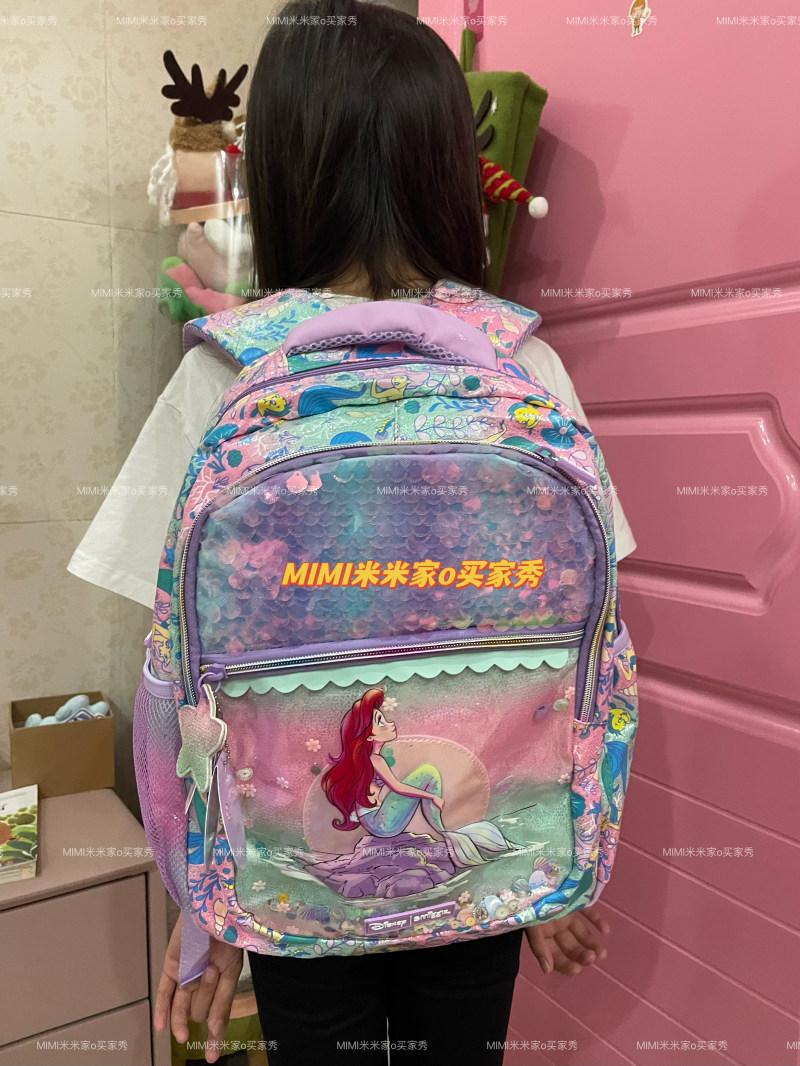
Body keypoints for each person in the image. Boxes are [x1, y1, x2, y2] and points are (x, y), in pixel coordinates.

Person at [69, 0, 634, 1061]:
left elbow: (172, 673)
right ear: (447, 168)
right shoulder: (524, 372)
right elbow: (576, 656)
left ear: (280, 170)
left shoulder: (223, 377)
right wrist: (552, 864)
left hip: (288, 877)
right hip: (486, 874)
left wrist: (203, 904)